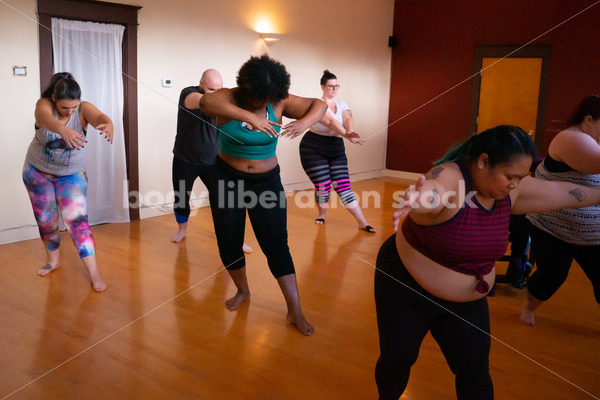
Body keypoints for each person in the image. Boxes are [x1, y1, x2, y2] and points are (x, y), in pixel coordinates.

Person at [374, 125, 600, 399]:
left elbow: (566, 193)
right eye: (510, 176)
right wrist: (418, 198)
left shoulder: (509, 191)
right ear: (482, 162)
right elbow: (434, 190)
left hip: (467, 301)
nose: (516, 183)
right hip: (405, 287)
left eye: (521, 177)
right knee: (398, 359)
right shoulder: (451, 177)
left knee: (475, 371)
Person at [199, 55, 328, 336]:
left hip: (265, 184)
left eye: (269, 99)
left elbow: (320, 105)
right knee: (229, 243)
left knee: (276, 246)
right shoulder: (228, 98)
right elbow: (205, 103)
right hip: (227, 180)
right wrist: (248, 117)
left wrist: (304, 122)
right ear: (246, 89)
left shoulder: (279, 100)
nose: (264, 104)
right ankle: (243, 290)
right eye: (258, 99)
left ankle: (294, 309)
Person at [22, 72, 113, 292]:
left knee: (77, 222)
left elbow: (101, 118)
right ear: (54, 98)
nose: (70, 112)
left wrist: (108, 124)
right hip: (37, 172)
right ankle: (54, 261)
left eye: (74, 107)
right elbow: (43, 118)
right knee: (46, 219)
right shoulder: (44, 104)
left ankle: (94, 273)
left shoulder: (82, 108)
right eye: (65, 108)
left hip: (71, 175)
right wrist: (62, 129)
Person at [521, 94, 600, 326]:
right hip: (551, 228)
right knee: (552, 276)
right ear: (588, 120)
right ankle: (529, 306)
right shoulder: (570, 138)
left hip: (592, 234)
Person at [170, 69, 253, 253]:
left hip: (214, 162)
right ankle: (182, 229)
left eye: (219, 89)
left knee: (227, 201)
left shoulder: (223, 100)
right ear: (200, 83)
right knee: (181, 197)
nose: (215, 93)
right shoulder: (188, 93)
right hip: (185, 158)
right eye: (210, 89)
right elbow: (203, 102)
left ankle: (236, 240)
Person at [298, 69, 375, 232]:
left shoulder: (342, 105)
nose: (334, 89)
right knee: (323, 186)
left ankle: (363, 223)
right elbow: (332, 123)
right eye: (331, 86)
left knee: (343, 186)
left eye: (336, 86)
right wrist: (348, 136)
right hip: (313, 147)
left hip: (336, 148)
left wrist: (351, 131)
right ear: (322, 86)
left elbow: (347, 118)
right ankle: (322, 214)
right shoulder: (317, 105)